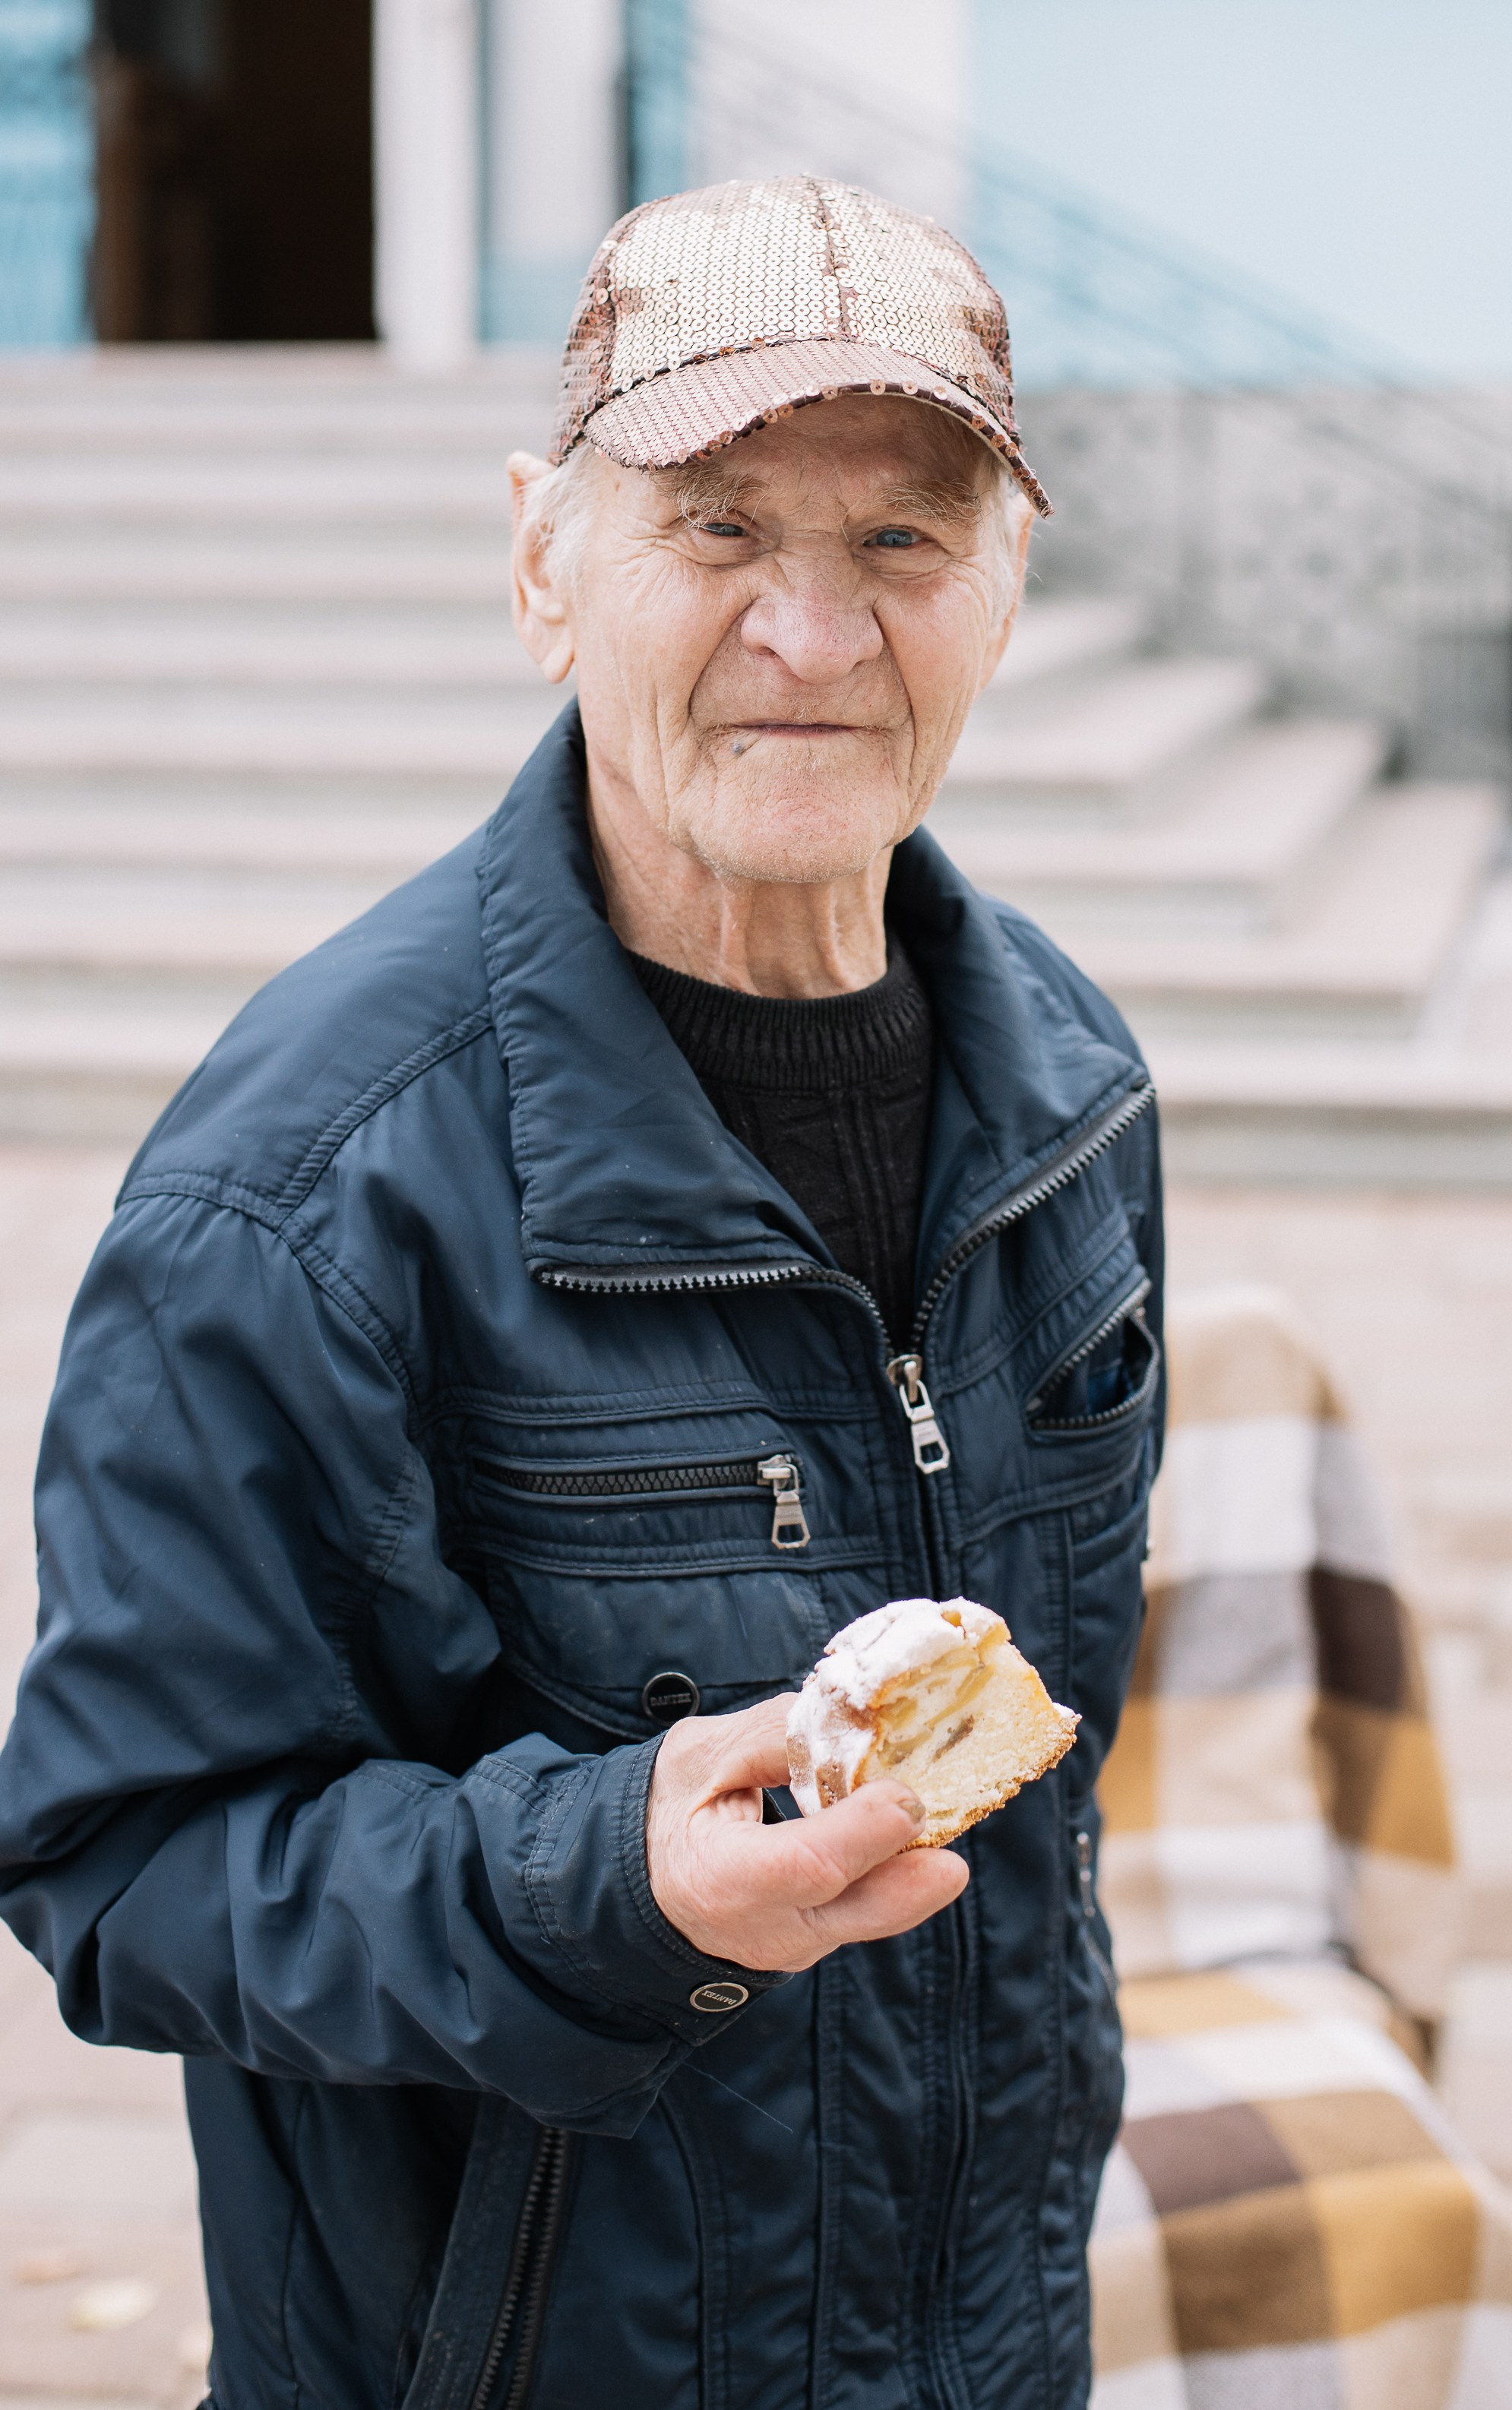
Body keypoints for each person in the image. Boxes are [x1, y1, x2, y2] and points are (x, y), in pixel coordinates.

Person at [0, 177, 1164, 2410]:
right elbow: (121, 1861)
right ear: (546, 559)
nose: (814, 634)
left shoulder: (1071, 1091)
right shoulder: (301, 1193)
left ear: (1006, 588)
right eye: (717, 530)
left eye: (902, 541)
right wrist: (594, 1875)